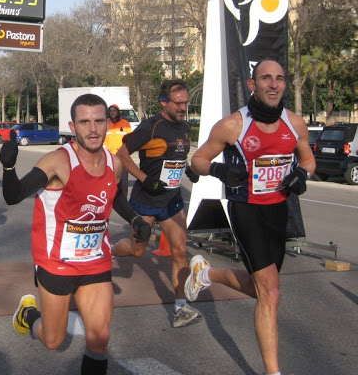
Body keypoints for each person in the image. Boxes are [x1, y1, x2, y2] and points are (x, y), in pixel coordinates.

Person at [0, 94, 151, 375]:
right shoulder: (58, 161)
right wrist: (8, 167)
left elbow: (114, 195)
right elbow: (14, 195)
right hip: (57, 261)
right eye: (84, 122)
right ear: (73, 125)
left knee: (99, 338)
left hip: (95, 258)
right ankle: (29, 315)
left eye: (98, 121)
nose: (92, 129)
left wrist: (134, 217)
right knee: (53, 340)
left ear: (107, 123)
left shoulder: (113, 163)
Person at [185, 57, 315, 375]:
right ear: (252, 85)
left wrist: (301, 175)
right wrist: (219, 169)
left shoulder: (295, 123)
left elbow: (308, 160)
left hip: (277, 211)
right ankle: (273, 371)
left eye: (280, 78)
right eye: (266, 78)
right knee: (269, 291)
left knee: (265, 290)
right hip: (246, 210)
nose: (273, 84)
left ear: (285, 84)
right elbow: (197, 160)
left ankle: (206, 275)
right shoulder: (233, 125)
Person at [112, 79, 203, 328]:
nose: (184, 107)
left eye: (186, 102)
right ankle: (109, 251)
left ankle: (180, 308)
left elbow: (176, 157)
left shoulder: (185, 127)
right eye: (179, 102)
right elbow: (121, 154)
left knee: (180, 251)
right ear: (164, 103)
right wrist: (144, 178)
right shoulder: (151, 127)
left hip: (172, 199)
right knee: (137, 250)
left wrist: (189, 170)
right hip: (146, 199)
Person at [103, 104, 132, 195]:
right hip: (109, 156)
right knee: (109, 179)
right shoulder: (106, 124)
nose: (112, 113)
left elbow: (130, 139)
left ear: (118, 112)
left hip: (122, 156)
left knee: (123, 180)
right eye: (110, 111)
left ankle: (123, 199)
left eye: (114, 111)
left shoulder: (125, 123)